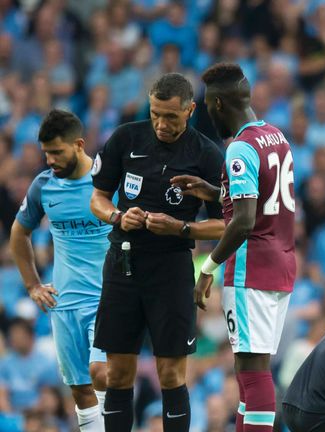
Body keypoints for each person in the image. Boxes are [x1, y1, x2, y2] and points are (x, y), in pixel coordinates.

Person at [89, 73, 225, 432]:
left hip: (171, 268)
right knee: (117, 372)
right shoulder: (125, 138)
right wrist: (118, 216)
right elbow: (98, 198)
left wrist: (181, 228)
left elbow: (227, 225)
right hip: (123, 263)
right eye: (155, 114)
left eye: (171, 117)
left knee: (171, 373)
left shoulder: (207, 155)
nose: (162, 124)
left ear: (190, 110)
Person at [171, 62, 296, 432]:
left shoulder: (239, 149)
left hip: (250, 270)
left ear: (219, 104)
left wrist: (206, 270)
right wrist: (215, 192)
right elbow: (265, 198)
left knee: (254, 374)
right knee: (249, 374)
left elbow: (243, 221)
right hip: (281, 264)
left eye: (209, 106)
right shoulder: (276, 136)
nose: (208, 114)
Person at [9, 110, 109, 432]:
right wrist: (32, 285)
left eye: (57, 152)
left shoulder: (108, 180)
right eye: (46, 153)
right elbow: (18, 233)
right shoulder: (44, 186)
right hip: (63, 303)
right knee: (80, 389)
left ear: (79, 145)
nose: (50, 159)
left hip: (107, 299)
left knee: (102, 373)